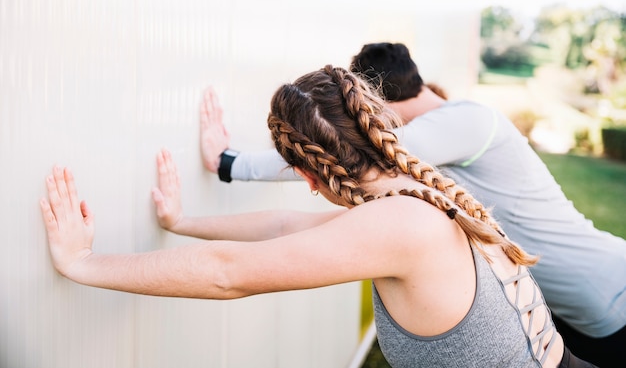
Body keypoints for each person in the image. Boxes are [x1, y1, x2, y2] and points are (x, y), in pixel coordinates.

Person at [40, 65, 596, 367]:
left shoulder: (401, 225)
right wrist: (181, 222)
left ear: (308, 176)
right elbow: (283, 228)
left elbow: (227, 273)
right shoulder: (416, 191)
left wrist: (84, 263)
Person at [201, 43, 626, 368]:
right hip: (573, 306)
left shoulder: (468, 122)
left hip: (609, 295)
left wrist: (228, 162)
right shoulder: (446, 134)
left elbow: (337, 153)